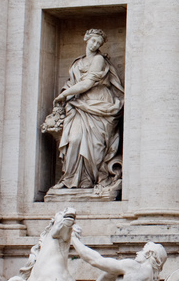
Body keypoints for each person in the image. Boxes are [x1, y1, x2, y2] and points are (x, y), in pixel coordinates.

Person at [50, 29, 124, 191]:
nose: (95, 44)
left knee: (95, 147)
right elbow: (72, 82)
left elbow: (87, 84)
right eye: (93, 41)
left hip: (99, 104)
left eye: (98, 43)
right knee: (74, 140)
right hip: (79, 105)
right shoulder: (77, 62)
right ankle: (70, 178)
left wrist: (63, 96)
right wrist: (66, 94)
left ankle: (88, 181)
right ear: (86, 39)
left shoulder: (99, 60)